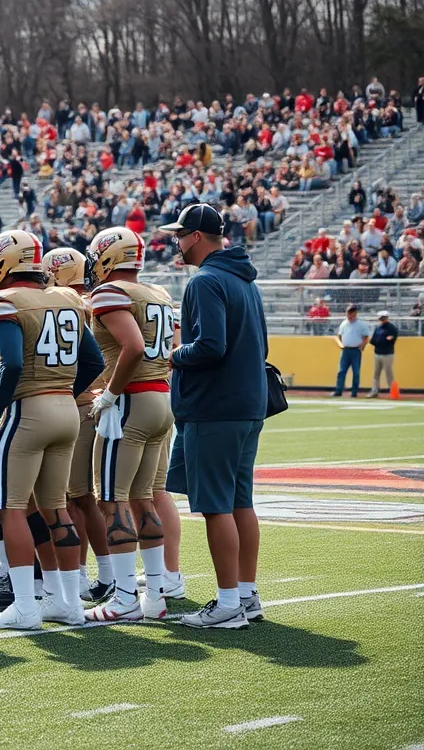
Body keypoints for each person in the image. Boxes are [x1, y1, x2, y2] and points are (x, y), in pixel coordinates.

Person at [0, 230, 105, 631]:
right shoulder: (67, 298)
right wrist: (64, 392)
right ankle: (65, 600)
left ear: (2, 262)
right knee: (55, 506)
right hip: (66, 409)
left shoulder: (3, 302)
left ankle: (26, 605)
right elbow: (94, 361)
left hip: (26, 410)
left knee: (10, 506)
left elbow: (12, 364)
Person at [159, 203, 268, 629]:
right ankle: (246, 595)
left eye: (180, 235)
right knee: (240, 502)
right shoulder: (244, 279)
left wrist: (173, 356)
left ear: (198, 237)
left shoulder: (206, 281)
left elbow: (210, 347)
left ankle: (227, 605)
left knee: (216, 507)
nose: (176, 242)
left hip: (215, 407)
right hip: (246, 404)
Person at [82, 227, 176, 623]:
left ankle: (123, 598)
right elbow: (169, 349)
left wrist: (110, 394)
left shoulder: (110, 293)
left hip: (131, 402)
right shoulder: (159, 293)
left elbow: (133, 346)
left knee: (112, 500)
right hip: (161, 397)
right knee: (143, 498)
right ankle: (154, 595)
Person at [42, 249, 114, 604]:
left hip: (78, 402)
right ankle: (102, 573)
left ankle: (91, 575)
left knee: (78, 499)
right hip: (85, 402)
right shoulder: (82, 300)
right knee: (83, 499)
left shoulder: (70, 302)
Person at [332, 304, 371, 397]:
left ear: (355, 314)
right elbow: (339, 336)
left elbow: (366, 337)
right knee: (341, 371)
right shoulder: (344, 323)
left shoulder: (361, 325)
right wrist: (341, 345)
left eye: (351, 314)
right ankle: (338, 390)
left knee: (356, 372)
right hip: (345, 350)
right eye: (348, 313)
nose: (349, 316)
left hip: (355, 350)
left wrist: (361, 346)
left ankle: (354, 392)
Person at [369, 310, 397, 398]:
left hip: (387, 354)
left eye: (384, 317)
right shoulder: (378, 328)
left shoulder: (392, 328)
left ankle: (393, 392)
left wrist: (381, 341)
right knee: (376, 373)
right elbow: (373, 340)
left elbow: (391, 339)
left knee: (389, 374)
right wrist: (382, 340)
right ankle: (374, 391)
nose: (382, 319)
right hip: (377, 353)